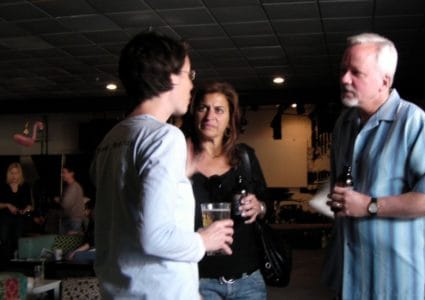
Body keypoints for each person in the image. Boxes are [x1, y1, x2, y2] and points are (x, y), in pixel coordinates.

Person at [90, 31, 234, 300]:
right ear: (169, 77)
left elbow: (124, 210)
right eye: (189, 74)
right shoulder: (164, 136)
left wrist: (179, 175)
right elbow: (155, 237)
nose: (192, 85)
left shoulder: (112, 138)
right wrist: (204, 241)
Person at [325, 32, 425, 300]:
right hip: (351, 282)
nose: (344, 79)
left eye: (355, 72)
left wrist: (370, 205)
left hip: (398, 284)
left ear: (385, 80)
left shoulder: (414, 124)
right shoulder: (343, 125)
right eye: (342, 70)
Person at [185, 81, 269, 299]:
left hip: (247, 278)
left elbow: (266, 205)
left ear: (230, 119)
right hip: (199, 279)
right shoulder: (180, 158)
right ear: (194, 113)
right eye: (203, 108)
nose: (209, 116)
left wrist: (258, 207)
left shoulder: (245, 157)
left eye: (219, 110)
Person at [0, 162, 33, 261]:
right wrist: (8, 205)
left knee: (18, 241)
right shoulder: (3, 186)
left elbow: (30, 205)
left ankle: (17, 264)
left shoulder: (25, 186)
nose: (14, 175)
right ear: (9, 174)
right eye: (12, 173)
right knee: (4, 239)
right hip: (5, 218)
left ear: (20, 173)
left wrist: (26, 209)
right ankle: (4, 263)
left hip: (19, 218)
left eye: (16, 173)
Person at [54, 165, 85, 234]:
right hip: (71, 219)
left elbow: (66, 204)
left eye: (64, 172)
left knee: (68, 243)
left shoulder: (73, 187)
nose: (61, 175)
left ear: (71, 173)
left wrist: (59, 200)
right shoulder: (70, 187)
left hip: (73, 220)